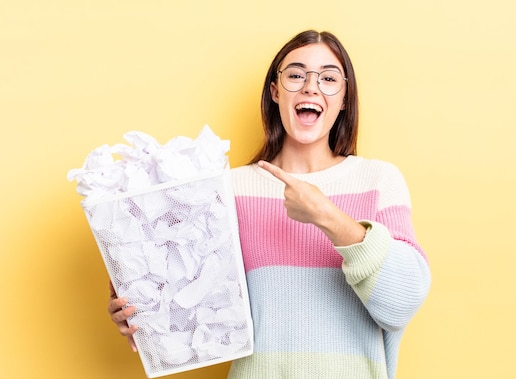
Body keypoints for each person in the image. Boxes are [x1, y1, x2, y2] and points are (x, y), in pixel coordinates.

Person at [108, 29, 431, 378]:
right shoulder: (228, 189)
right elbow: (192, 307)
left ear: (343, 96)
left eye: (328, 77)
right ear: (276, 92)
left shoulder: (378, 181)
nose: (310, 86)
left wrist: (328, 217)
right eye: (295, 75)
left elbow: (403, 303)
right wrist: (141, 310)